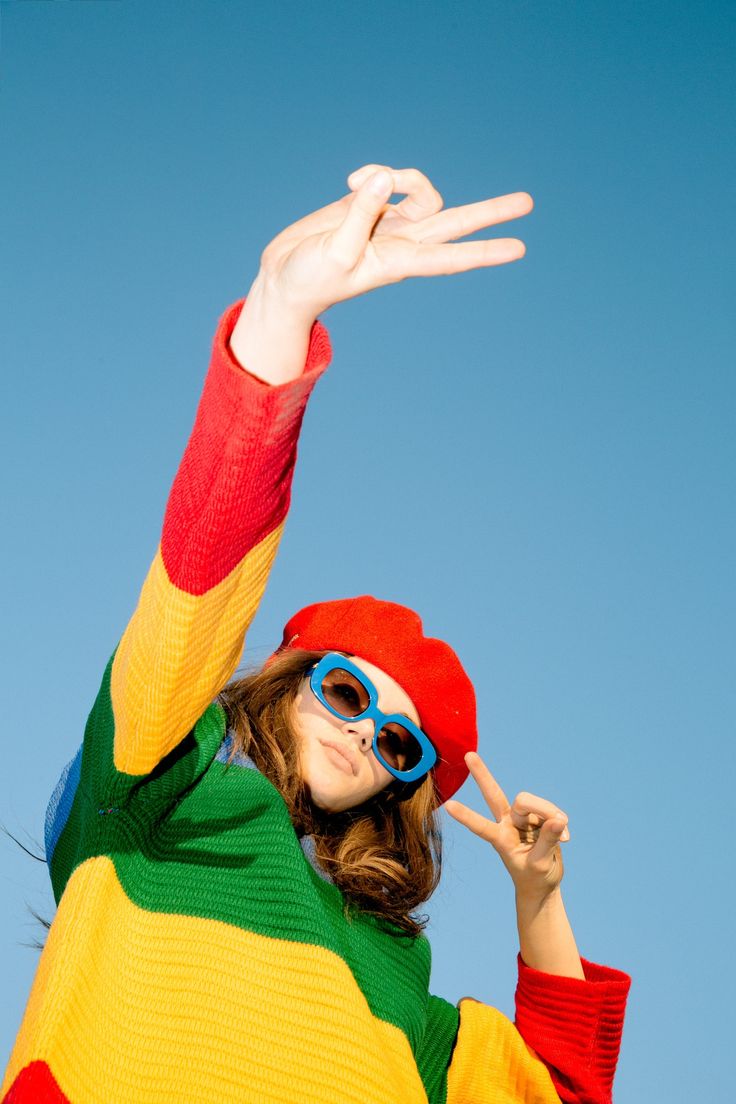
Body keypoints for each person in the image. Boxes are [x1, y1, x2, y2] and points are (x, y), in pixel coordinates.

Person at [2, 164, 630, 1104]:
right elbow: (193, 596)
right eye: (347, 691)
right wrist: (275, 323)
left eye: (397, 740)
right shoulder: (152, 791)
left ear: (402, 781)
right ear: (294, 681)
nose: (360, 729)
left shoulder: (396, 975)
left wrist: (538, 896)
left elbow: (559, 1091)